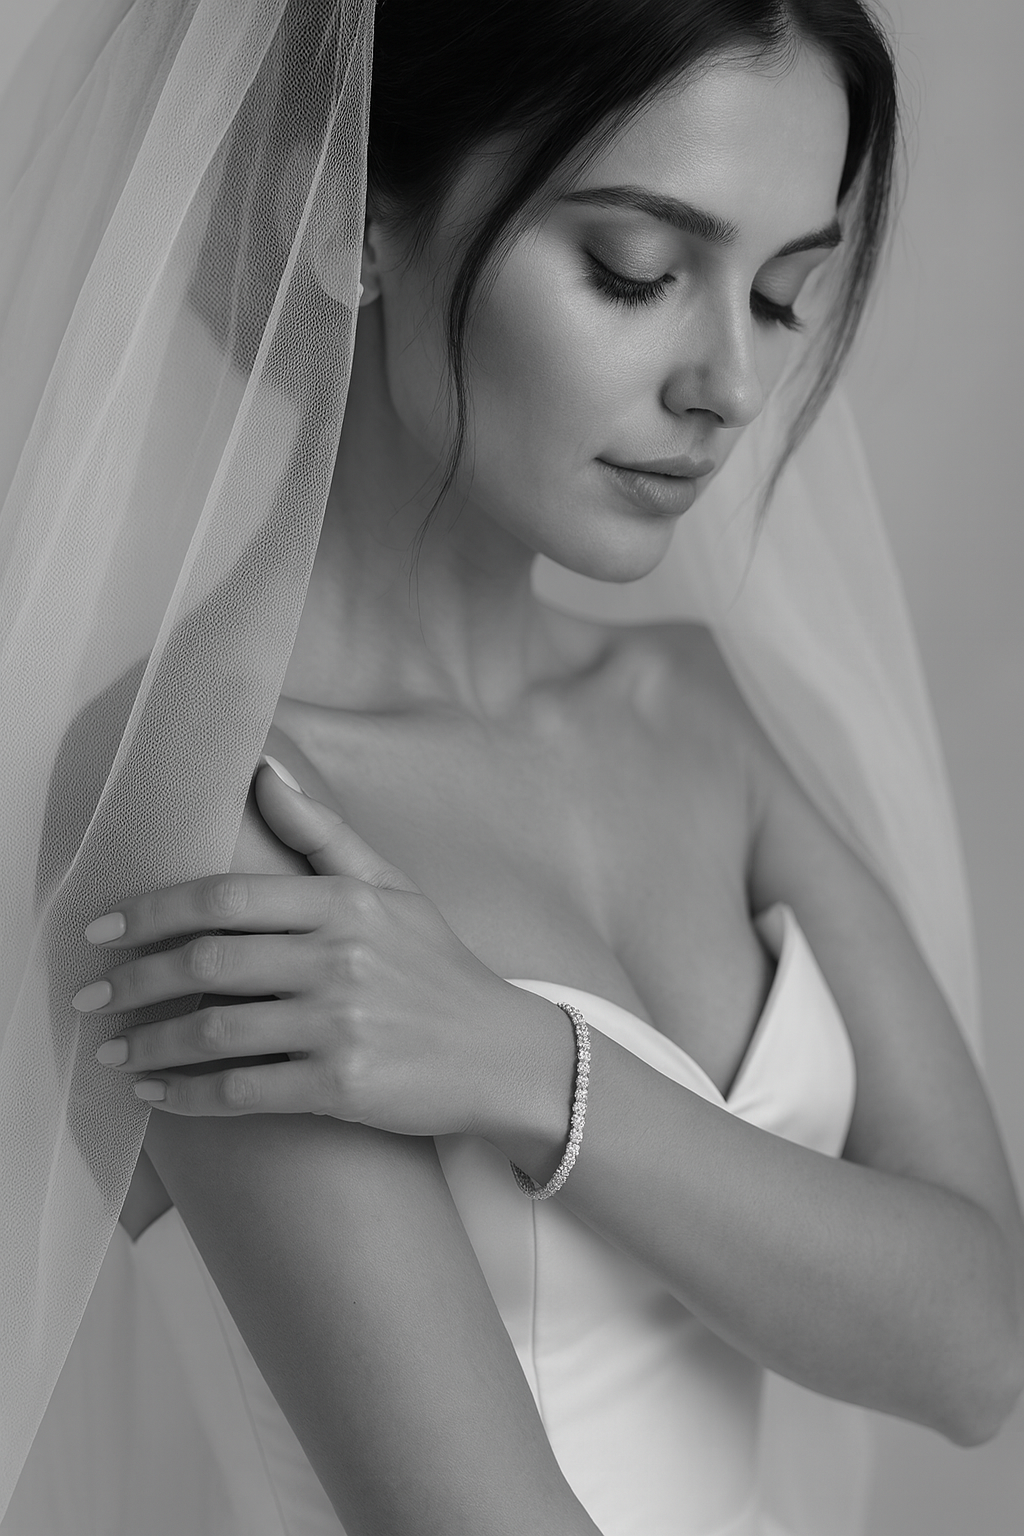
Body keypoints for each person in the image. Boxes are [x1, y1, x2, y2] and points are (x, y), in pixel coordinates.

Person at [2, 2, 1021, 1533]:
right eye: (636, 269)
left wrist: (531, 1068)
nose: (730, 384)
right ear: (345, 220)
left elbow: (980, 1350)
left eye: (781, 295)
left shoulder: (694, 715)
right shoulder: (202, 800)